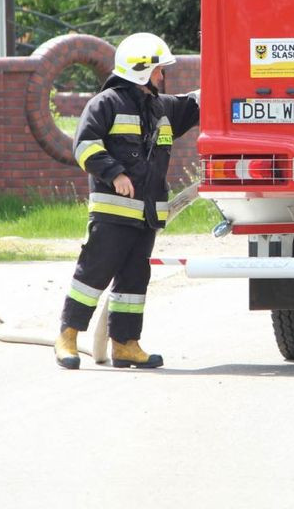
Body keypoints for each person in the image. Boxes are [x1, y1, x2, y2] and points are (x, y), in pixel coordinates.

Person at [54, 33, 200, 369]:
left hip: (146, 216)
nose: (162, 77)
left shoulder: (161, 109)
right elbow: (84, 145)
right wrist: (115, 173)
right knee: (93, 274)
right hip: (112, 214)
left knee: (134, 282)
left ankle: (125, 344)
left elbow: (196, 103)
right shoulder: (105, 104)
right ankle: (68, 336)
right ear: (140, 71)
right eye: (158, 71)